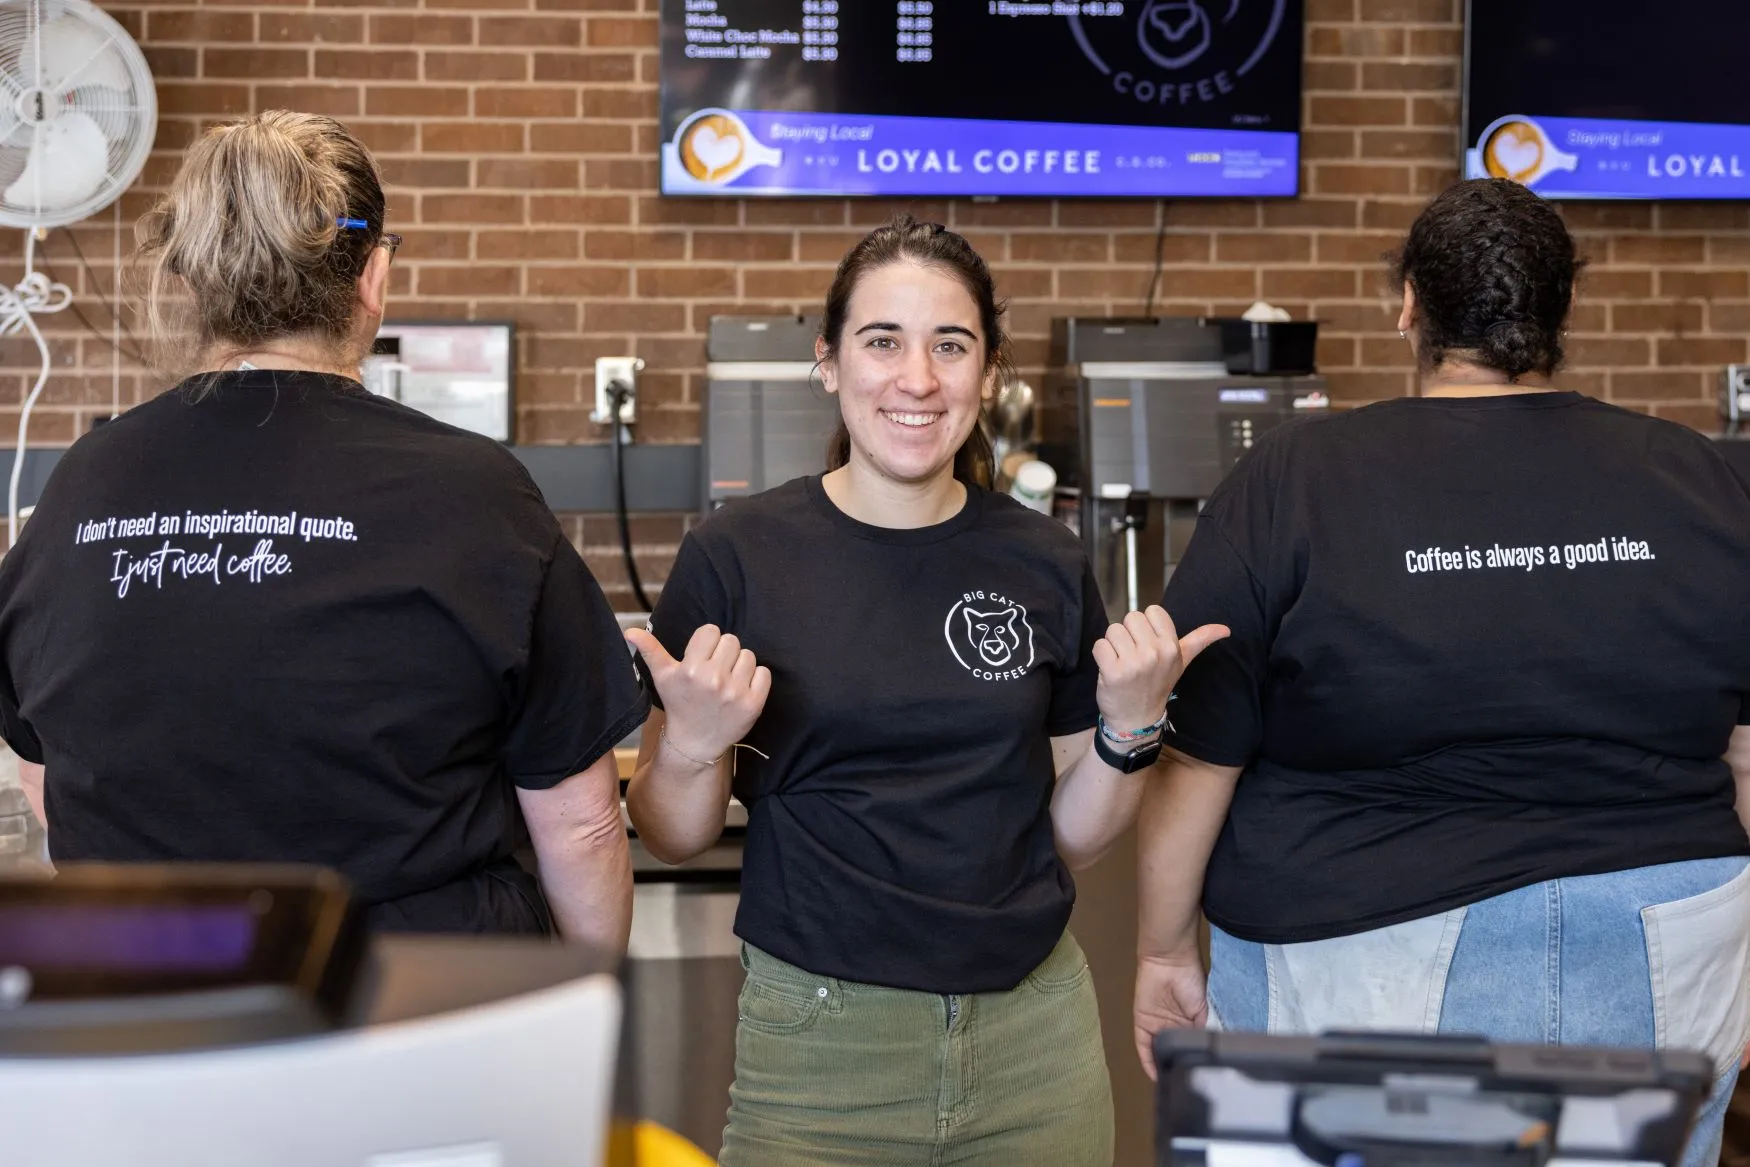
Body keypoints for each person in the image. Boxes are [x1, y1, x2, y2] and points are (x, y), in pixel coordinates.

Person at [1132, 177, 1750, 1167]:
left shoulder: (1294, 480)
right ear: (1560, 313)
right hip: (1671, 943)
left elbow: (1199, 758)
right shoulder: (1707, 477)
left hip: (1363, 956)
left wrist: (1162, 952)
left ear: (1409, 305)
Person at [623, 216, 1226, 1166]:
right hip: (819, 1051)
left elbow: (1070, 834)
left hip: (1036, 1041)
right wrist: (694, 745)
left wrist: (1128, 730)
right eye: (882, 341)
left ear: (988, 375)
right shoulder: (737, 556)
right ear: (828, 362)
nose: (917, 378)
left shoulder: (1045, 560)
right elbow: (671, 829)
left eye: (951, 345)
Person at [0, 112, 646, 941]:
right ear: (373, 275)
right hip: (424, 1002)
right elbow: (582, 820)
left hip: (154, 1000)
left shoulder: (80, 485)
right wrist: (589, 998)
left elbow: (44, 779)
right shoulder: (476, 490)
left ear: (191, 282)